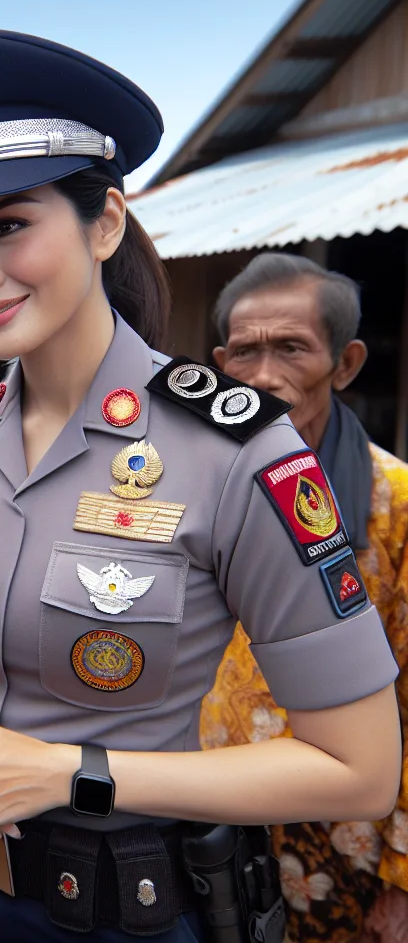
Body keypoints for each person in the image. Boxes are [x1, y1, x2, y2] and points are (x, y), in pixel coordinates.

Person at [0, 28, 401, 942]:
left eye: (11, 226)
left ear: (104, 222)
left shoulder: (238, 452)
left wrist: (76, 772)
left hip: (125, 909)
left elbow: (358, 768)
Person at [199, 252, 408, 941]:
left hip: (339, 854)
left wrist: (402, 881)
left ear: (344, 365)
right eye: (246, 353)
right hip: (203, 826)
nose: (263, 377)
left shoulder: (394, 504)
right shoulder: (191, 488)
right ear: (221, 362)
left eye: (292, 349)